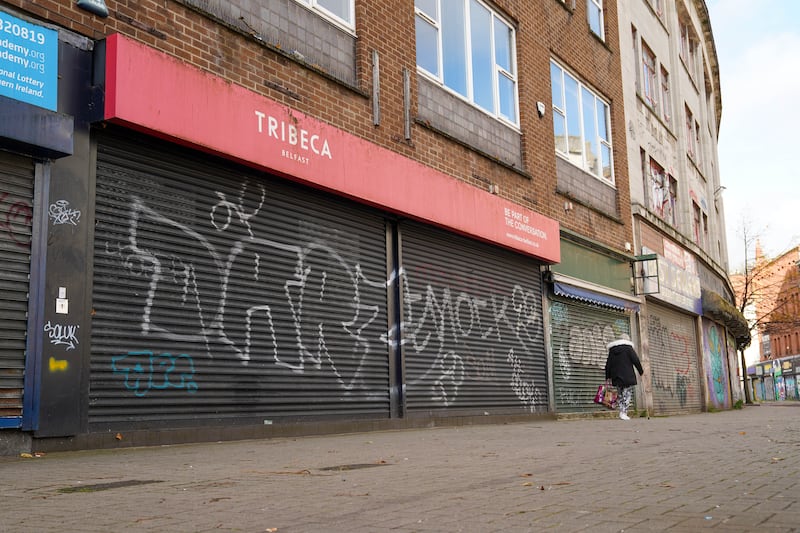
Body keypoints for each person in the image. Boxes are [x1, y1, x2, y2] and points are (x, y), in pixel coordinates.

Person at [605, 333, 644, 420]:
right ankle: (623, 412)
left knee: (620, 394)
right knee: (627, 394)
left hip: (616, 376)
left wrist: (607, 376)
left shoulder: (612, 350)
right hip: (627, 376)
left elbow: (608, 364)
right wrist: (641, 371)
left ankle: (621, 412)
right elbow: (636, 360)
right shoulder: (628, 348)